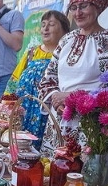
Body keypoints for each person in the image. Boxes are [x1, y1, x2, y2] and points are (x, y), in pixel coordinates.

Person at [38, 0, 108, 152]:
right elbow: (49, 76)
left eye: (83, 6)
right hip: (58, 121)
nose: (78, 13)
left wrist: (71, 97)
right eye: (74, 8)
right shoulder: (66, 40)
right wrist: (56, 98)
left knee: (80, 173)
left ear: (97, 7)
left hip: (89, 124)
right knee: (52, 172)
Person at [4, 10, 70, 146]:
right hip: (23, 114)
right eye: (43, 25)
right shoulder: (32, 53)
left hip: (48, 116)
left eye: (51, 24)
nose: (45, 29)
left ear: (65, 30)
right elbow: (14, 82)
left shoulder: (67, 56)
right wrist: (6, 104)